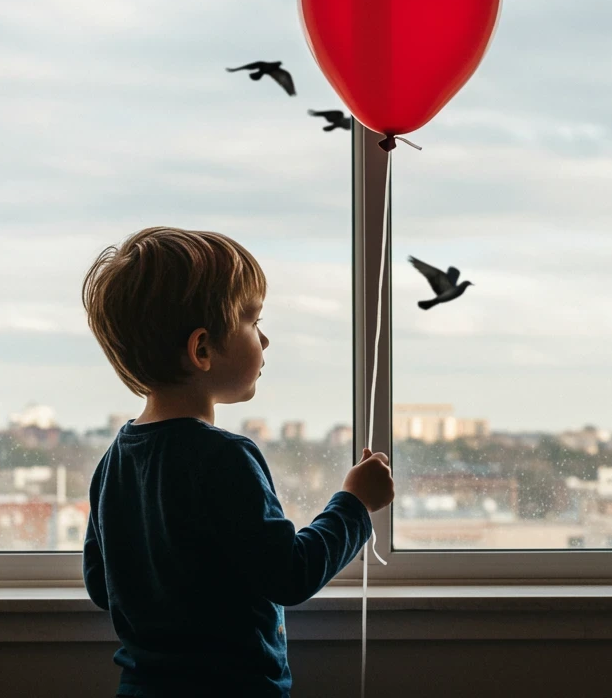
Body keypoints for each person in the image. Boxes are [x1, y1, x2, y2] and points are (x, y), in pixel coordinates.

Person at [80, 226, 394, 697]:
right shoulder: (225, 457)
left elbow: (103, 587)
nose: (264, 341)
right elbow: (290, 575)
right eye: (252, 321)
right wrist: (355, 503)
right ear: (201, 349)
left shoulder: (113, 462)